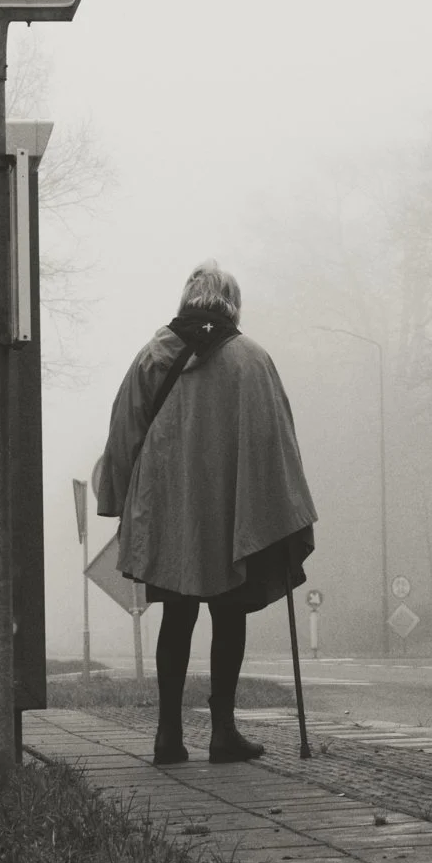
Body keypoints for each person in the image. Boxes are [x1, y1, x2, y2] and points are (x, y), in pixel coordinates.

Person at [96, 261, 317, 764]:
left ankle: (167, 736)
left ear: (187, 301)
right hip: (232, 508)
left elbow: (124, 429)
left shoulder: (154, 354)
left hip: (170, 508)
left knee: (177, 615)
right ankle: (222, 732)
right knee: (229, 612)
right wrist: (285, 508)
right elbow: (277, 441)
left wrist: (115, 500)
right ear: (232, 304)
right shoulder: (252, 360)